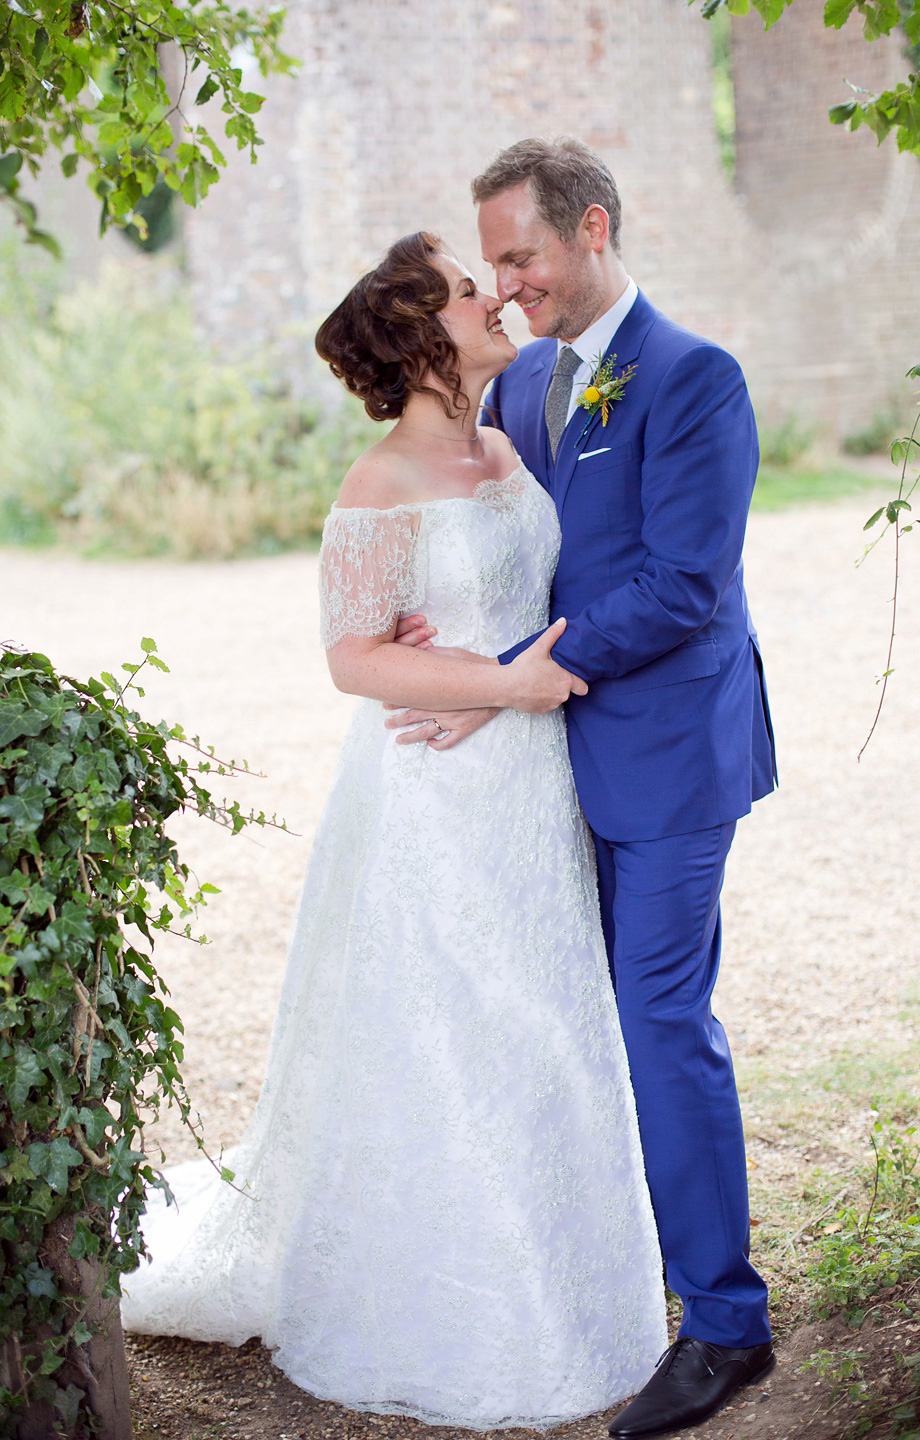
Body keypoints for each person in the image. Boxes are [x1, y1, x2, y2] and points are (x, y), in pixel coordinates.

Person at [120, 230, 667, 1430]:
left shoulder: (510, 439)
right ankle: (457, 1305)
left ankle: (580, 1286)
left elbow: (546, 601)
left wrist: (497, 682)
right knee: (456, 1031)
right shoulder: (380, 483)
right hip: (433, 802)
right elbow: (351, 657)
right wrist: (492, 685)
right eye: (470, 292)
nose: (493, 300)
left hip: (526, 779)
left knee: (548, 1023)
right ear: (424, 336)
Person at [388, 140, 778, 1438]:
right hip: (554, 763)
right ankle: (596, 1274)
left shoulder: (694, 377)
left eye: (522, 255)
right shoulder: (527, 381)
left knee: (660, 1023)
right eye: (490, 260)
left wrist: (502, 673)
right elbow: (497, 538)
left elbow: (684, 585)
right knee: (569, 1026)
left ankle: (727, 1324)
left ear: (592, 226)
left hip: (669, 754)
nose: (505, 284)